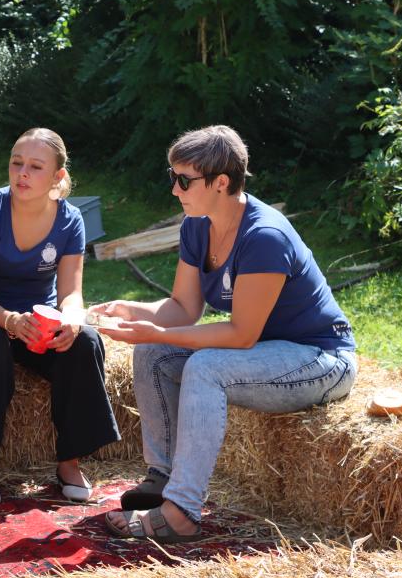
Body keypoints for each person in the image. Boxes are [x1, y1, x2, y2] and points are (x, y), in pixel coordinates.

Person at [90, 125, 358, 543]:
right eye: (172, 176)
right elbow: (183, 308)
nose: (174, 189)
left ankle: (181, 511)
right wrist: (129, 311)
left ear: (221, 182)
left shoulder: (264, 236)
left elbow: (241, 335)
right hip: (267, 350)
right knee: (153, 352)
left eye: (184, 180)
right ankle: (163, 478)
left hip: (320, 358)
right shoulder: (196, 225)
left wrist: (156, 331)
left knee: (206, 366)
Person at [0, 127, 121, 504]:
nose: (22, 173)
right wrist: (11, 322)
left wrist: (72, 320)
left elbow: (71, 294)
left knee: (85, 341)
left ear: (57, 176)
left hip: (36, 322)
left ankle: (70, 461)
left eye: (35, 167)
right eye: (16, 163)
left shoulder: (70, 219)